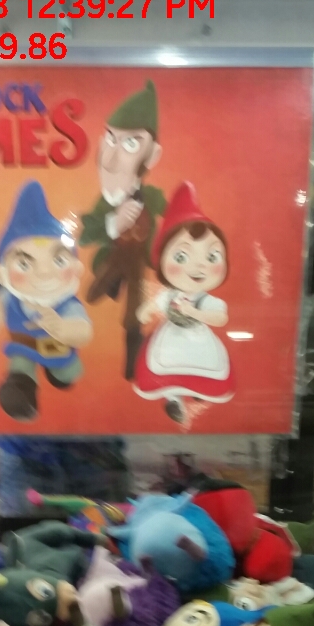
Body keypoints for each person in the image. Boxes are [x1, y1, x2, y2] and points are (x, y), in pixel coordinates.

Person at [79, 80, 166, 381]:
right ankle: (112, 284)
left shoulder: (151, 196)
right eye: (111, 139)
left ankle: (133, 362)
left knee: (134, 313)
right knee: (94, 293)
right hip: (114, 257)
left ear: (152, 155)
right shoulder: (106, 202)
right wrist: (112, 224)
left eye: (130, 143)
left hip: (140, 261)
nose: (113, 157)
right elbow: (85, 233)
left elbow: (172, 214)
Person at [134, 181, 234, 427]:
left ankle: (200, 392)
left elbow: (220, 318)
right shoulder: (169, 295)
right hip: (172, 337)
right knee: (166, 367)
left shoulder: (206, 299)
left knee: (204, 367)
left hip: (199, 339)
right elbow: (154, 305)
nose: (198, 266)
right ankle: (173, 399)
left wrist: (195, 312)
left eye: (211, 256)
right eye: (182, 256)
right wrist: (146, 311)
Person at [0, 181, 92, 422]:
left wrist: (63, 328)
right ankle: (21, 394)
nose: (44, 274)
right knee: (19, 368)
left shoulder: (66, 304)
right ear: (2, 273)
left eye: (58, 260)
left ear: (76, 268)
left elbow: (84, 331)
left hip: (57, 349)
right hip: (23, 347)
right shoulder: (11, 295)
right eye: (24, 263)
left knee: (66, 374)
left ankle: (59, 376)